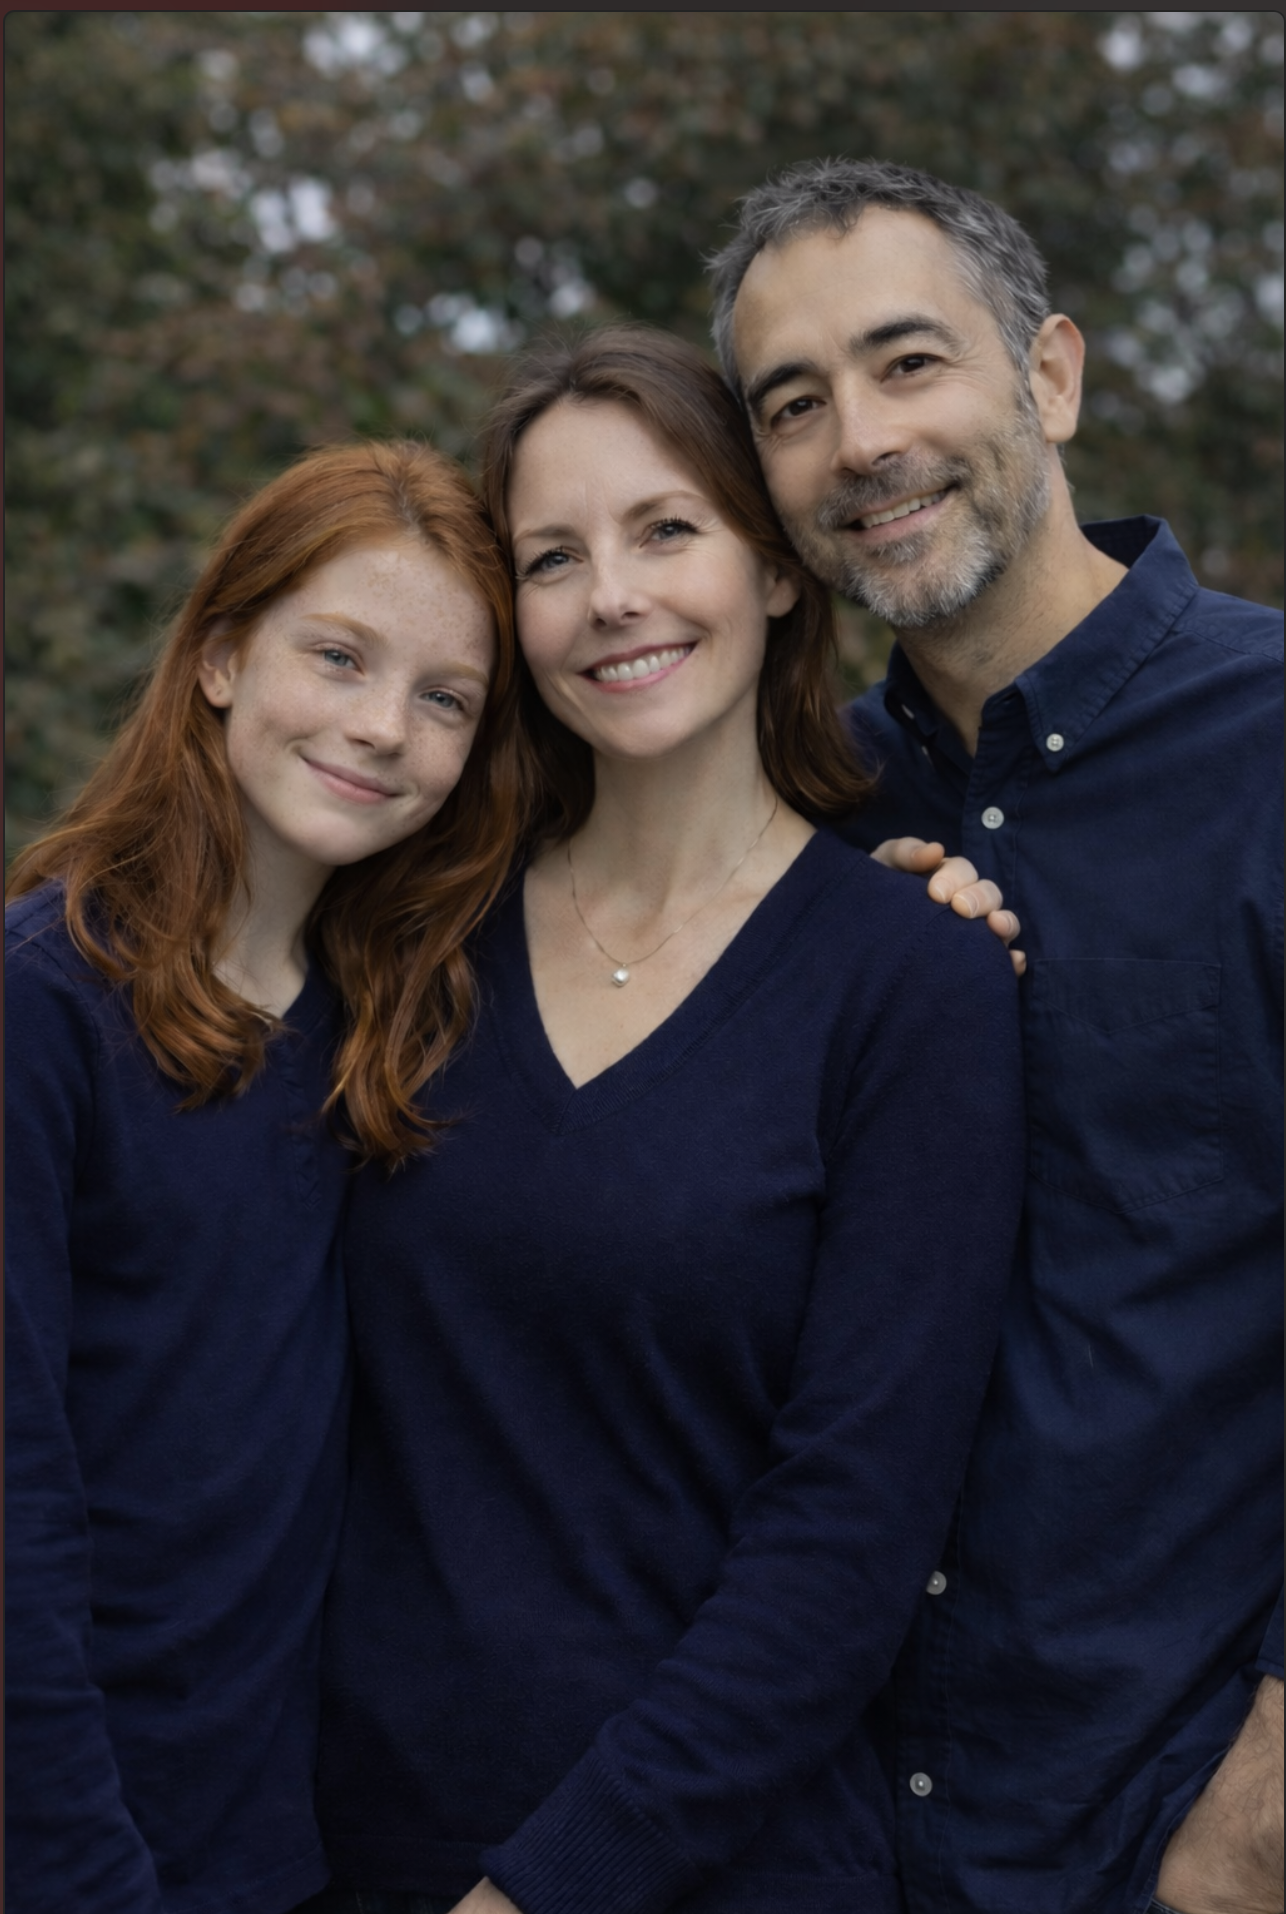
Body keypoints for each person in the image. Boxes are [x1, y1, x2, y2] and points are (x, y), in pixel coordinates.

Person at [307, 325, 1025, 1914]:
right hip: (345, 1845)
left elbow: (845, 1543)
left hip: (713, 1865)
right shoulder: (403, 929)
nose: (610, 595)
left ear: (775, 572)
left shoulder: (912, 984)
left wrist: (542, 1889)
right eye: (552, 557)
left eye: (665, 531)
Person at [710, 156, 1284, 1914]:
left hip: (1167, 1828)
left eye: (905, 364)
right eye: (791, 406)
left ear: (1046, 376)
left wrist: (1257, 1823)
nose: (857, 442)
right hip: (819, 1841)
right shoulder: (784, 821)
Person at [4, 440, 526, 1914]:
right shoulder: (45, 1008)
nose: (381, 728)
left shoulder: (385, 1026)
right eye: (340, 656)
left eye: (444, 700)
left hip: (286, 1849)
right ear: (223, 655)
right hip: (80, 1846)